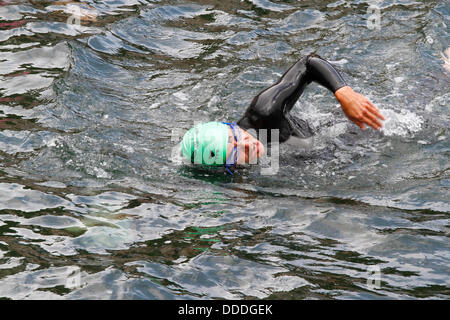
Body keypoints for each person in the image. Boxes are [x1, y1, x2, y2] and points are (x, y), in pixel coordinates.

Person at [181, 53, 385, 173]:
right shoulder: (241, 176)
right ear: (228, 169)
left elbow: (308, 63)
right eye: (236, 152)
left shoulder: (264, 113)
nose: (246, 144)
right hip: (332, 160)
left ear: (230, 126)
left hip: (358, 127)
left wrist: (345, 94)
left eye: (235, 136)